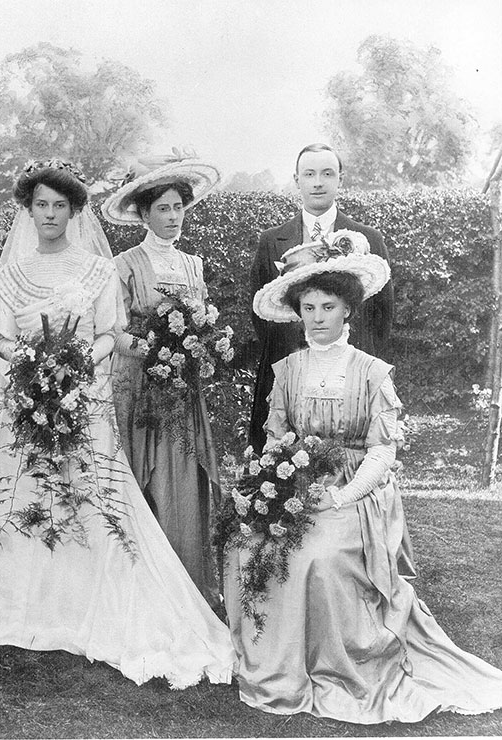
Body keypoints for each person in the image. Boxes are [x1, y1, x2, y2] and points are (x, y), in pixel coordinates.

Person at [0, 160, 237, 689]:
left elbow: (111, 331)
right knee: (30, 496)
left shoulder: (96, 269)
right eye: (41, 205)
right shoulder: (12, 272)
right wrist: (32, 369)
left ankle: (90, 604)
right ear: (28, 209)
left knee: (89, 501)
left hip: (85, 400)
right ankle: (29, 607)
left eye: (59, 206)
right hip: (30, 401)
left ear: (74, 212)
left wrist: (80, 364)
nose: (50, 214)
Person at [224, 233, 502, 722]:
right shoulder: (286, 369)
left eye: (327, 306)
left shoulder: (372, 372)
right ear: (297, 312)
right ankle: (276, 662)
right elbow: (275, 437)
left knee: (321, 557)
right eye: (308, 307)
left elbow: (383, 451)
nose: (317, 317)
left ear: (347, 310)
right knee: (248, 543)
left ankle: (340, 661)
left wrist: (342, 494)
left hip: (357, 491)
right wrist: (273, 481)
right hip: (295, 483)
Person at [102, 152, 223, 604]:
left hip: (183, 396)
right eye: (163, 209)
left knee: (186, 481)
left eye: (179, 207)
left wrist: (200, 351)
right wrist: (156, 352)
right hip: (139, 393)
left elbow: (202, 325)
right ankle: (146, 591)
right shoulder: (125, 265)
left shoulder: (193, 265)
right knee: (144, 481)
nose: (173, 217)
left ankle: (191, 585)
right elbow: (112, 332)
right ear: (144, 213)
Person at [248, 143, 393, 453]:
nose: (317, 182)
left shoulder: (367, 239)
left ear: (340, 179)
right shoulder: (272, 241)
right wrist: (291, 353)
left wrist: (358, 367)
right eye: (309, 174)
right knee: (284, 468)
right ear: (296, 179)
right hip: (289, 371)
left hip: (348, 377)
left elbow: (381, 314)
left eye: (327, 174)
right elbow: (260, 314)